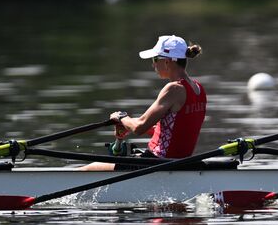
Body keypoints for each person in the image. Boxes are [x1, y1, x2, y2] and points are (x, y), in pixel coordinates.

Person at [83, 34, 207, 171]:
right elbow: (177, 131)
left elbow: (139, 127)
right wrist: (126, 126)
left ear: (167, 61)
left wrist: (122, 118)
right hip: (179, 162)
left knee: (90, 168)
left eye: (155, 59)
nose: (153, 64)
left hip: (158, 163)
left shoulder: (174, 89)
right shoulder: (198, 88)